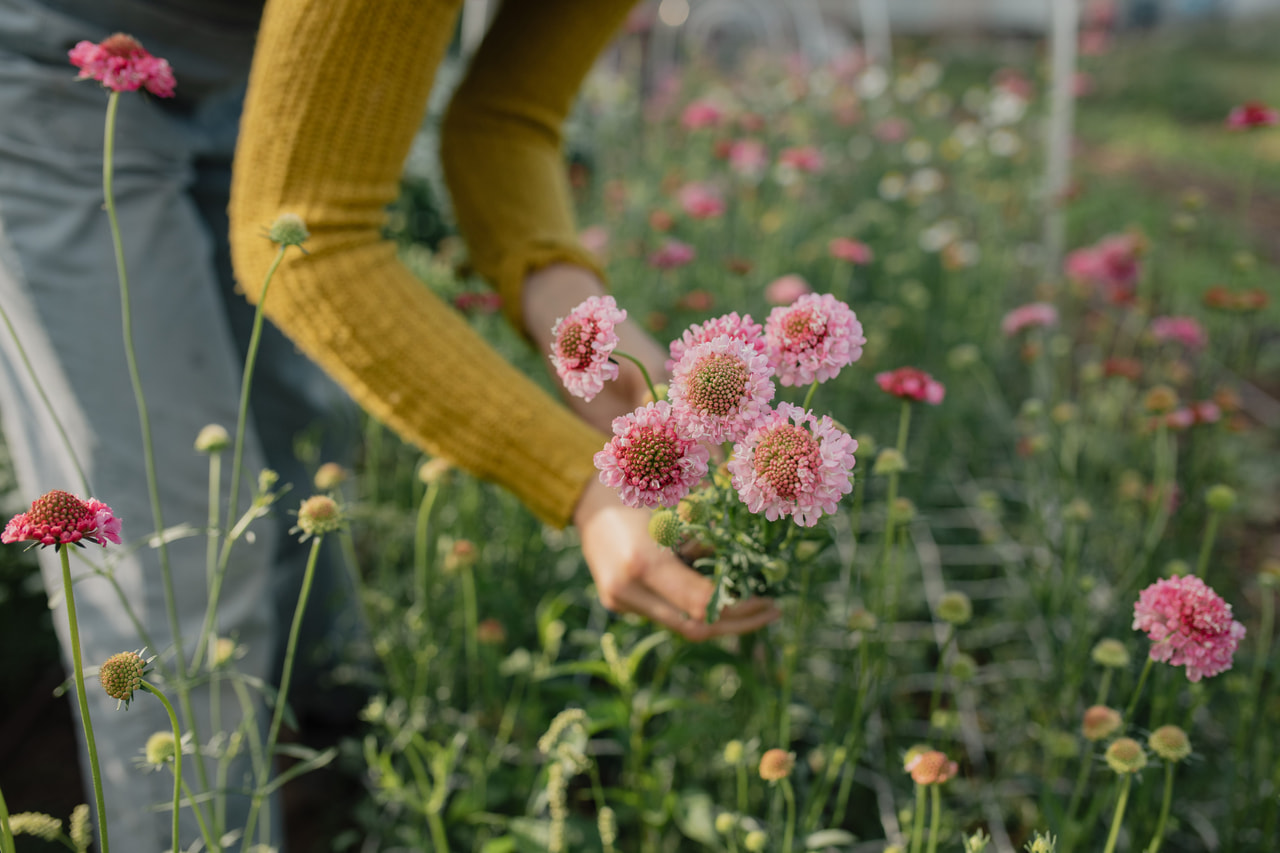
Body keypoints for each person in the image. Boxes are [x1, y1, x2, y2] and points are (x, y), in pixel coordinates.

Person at [0, 0, 778, 850]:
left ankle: (336, 776)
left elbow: (506, 122)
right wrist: (586, 483)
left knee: (300, 450)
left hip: (261, 56)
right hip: (59, 67)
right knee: (176, 559)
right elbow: (308, 244)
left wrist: (589, 335)